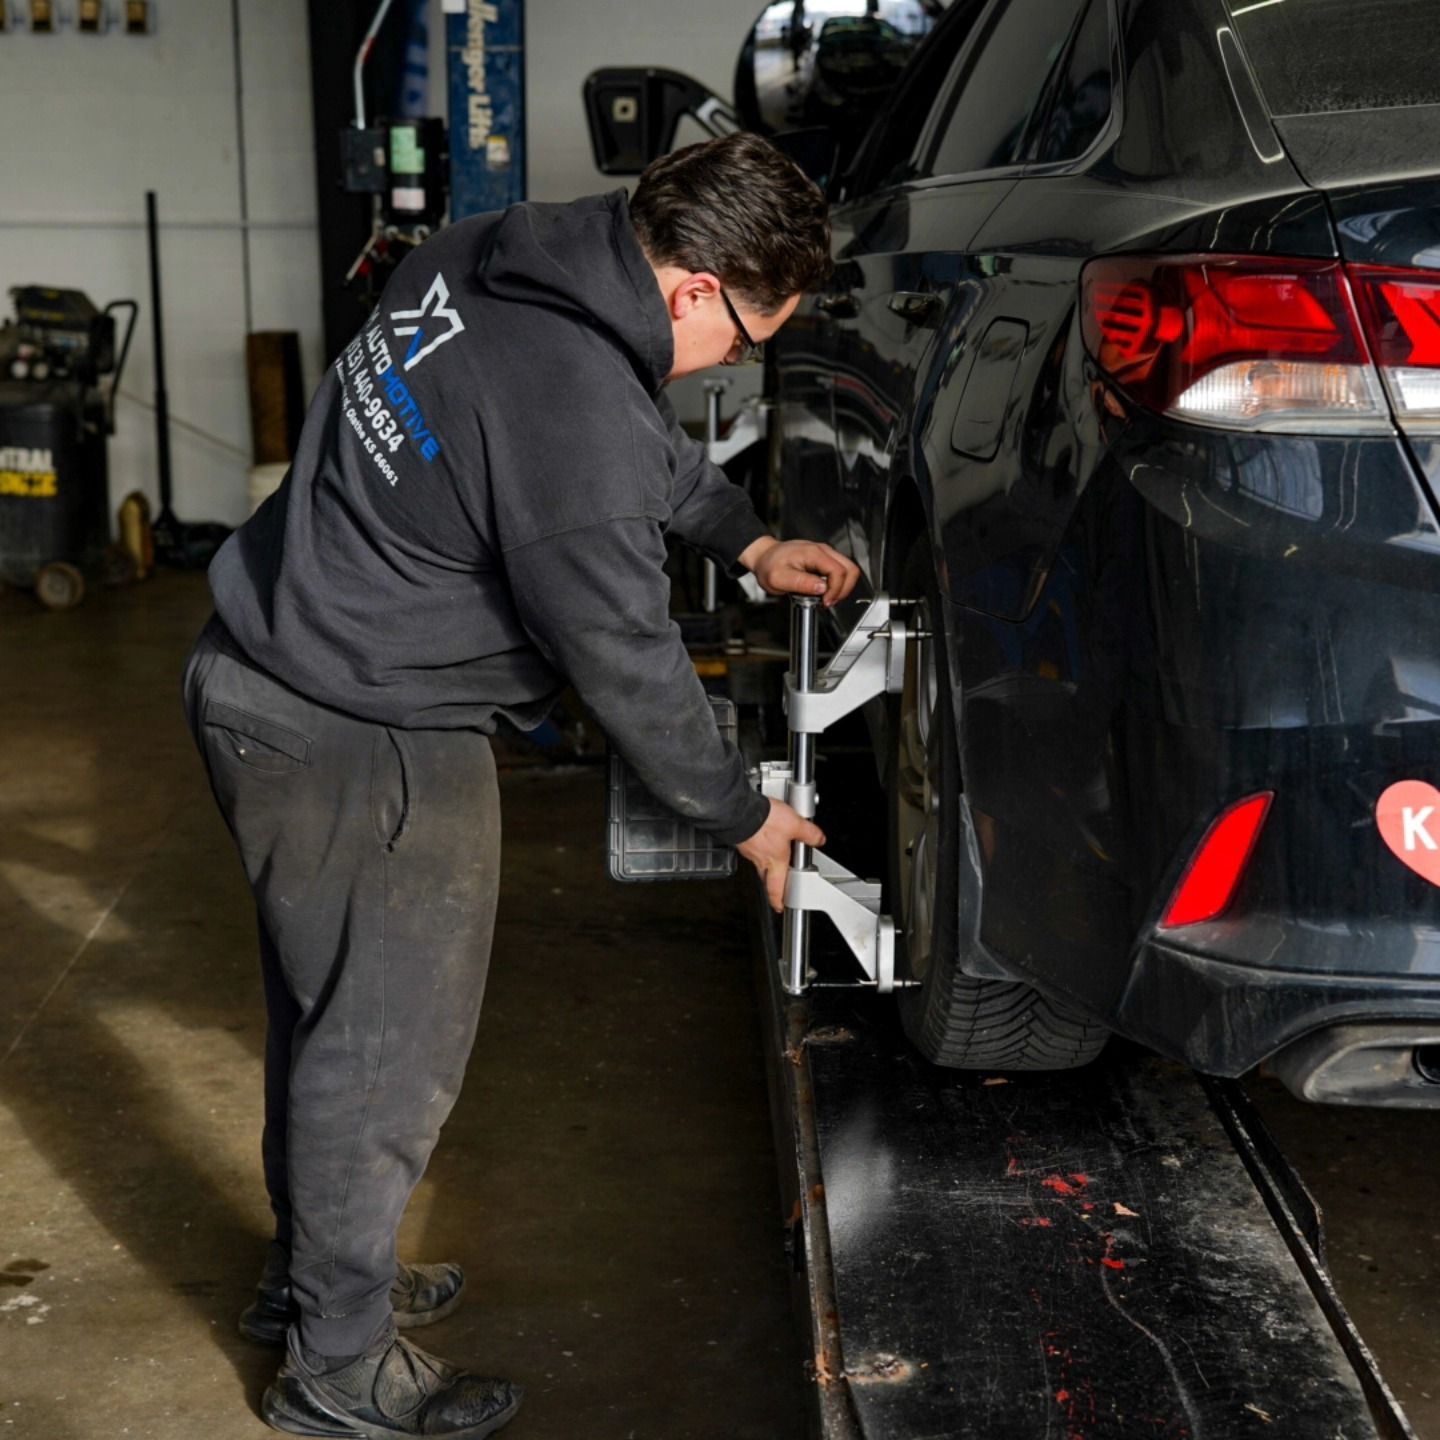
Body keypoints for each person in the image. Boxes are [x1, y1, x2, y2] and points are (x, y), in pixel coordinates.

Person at [182, 131, 858, 1439]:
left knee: (329, 1022)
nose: (731, 363)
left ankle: (314, 1281)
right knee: (384, 1059)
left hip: (261, 667)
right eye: (742, 340)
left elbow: (615, 441)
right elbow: (627, 658)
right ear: (694, 288)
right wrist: (746, 817)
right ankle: (337, 1368)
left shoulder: (492, 253)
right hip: (361, 728)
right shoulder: (576, 407)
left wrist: (749, 539)